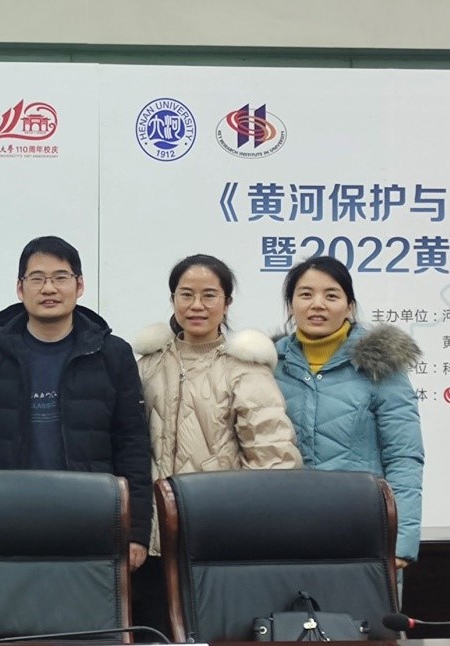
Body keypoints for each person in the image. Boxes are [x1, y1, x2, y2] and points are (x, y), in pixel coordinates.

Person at [131, 253, 301, 635]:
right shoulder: (148, 365)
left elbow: (274, 461)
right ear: (172, 299)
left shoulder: (246, 368)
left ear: (227, 302)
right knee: (154, 633)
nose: (197, 305)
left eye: (209, 295)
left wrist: (249, 533)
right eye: (186, 294)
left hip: (219, 542)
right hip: (153, 541)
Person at [0, 235, 152, 567]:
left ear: (79, 285)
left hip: (91, 518)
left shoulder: (113, 355)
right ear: (20, 288)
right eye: (37, 278)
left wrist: (136, 531)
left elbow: (132, 443)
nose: (48, 288)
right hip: (7, 520)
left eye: (60, 277)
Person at [274, 256, 424, 569]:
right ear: (291, 305)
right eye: (305, 294)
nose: (317, 304)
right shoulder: (269, 366)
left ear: (349, 306)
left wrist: (400, 541)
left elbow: (404, 457)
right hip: (285, 529)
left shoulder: (380, 365)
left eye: (331, 295)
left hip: (363, 531)